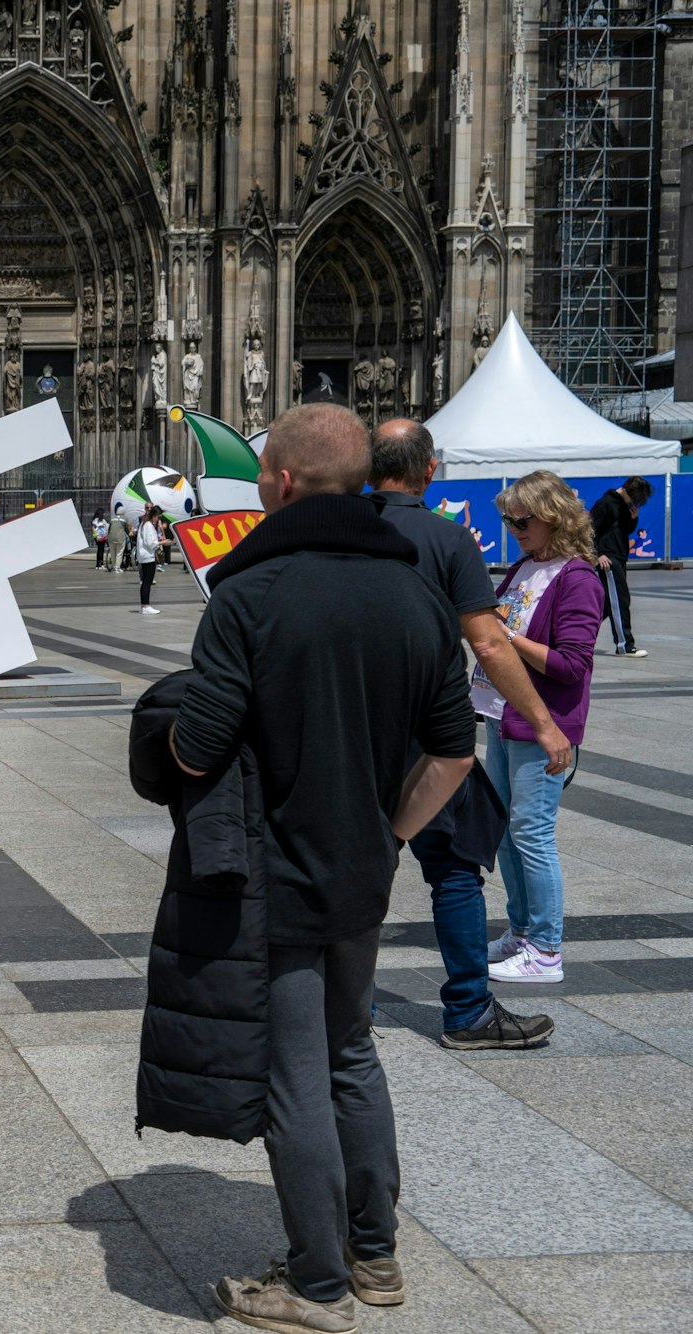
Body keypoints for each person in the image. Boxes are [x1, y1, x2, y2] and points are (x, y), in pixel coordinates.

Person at [170, 403, 476, 1333]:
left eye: (264, 471)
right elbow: (455, 754)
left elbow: (196, 748)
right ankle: (373, 1255)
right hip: (361, 872)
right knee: (350, 1053)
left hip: (277, 875)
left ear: (287, 484)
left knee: (293, 1072)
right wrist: (387, 835)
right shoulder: (416, 594)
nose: (259, 483)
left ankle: (317, 1285)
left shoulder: (249, 594)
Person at [370, 420, 568, 1049]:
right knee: (453, 871)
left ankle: (345, 1007)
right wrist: (543, 722)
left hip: (349, 725)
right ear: (431, 470)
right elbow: (486, 640)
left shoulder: (338, 528)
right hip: (430, 730)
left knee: (350, 866)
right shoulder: (450, 539)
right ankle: (467, 1012)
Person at [479, 471, 604, 986]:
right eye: (507, 518)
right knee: (506, 833)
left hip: (543, 722)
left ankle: (547, 948)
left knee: (531, 833)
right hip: (501, 715)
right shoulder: (526, 566)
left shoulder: (577, 578)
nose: (512, 528)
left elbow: (573, 663)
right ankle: (522, 931)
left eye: (521, 519)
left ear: (552, 515)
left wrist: (504, 637)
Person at [589, 476, 650, 657]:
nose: (636, 502)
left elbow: (623, 530)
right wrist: (597, 554)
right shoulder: (605, 504)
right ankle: (625, 645)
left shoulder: (624, 506)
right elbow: (589, 531)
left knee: (607, 606)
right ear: (628, 492)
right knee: (620, 601)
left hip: (619, 557)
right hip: (608, 560)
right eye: (636, 498)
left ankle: (574, 637)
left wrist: (633, 519)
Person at [134, 505, 162, 614]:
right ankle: (146, 606)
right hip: (147, 556)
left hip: (143, 555)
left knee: (145, 581)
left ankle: (144, 605)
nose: (158, 519)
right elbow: (150, 543)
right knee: (147, 581)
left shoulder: (144, 523)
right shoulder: (148, 525)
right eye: (158, 517)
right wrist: (162, 543)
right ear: (154, 515)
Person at [105, 506, 130, 575]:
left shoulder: (112, 518)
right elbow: (127, 529)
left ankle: (113, 567)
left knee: (113, 553)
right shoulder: (125, 518)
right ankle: (117, 567)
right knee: (119, 553)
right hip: (120, 538)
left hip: (111, 538)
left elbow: (109, 528)